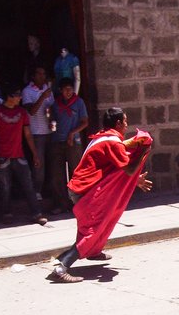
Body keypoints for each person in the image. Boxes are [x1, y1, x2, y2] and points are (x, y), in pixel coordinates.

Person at [47, 107, 152, 283]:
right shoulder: (112, 142)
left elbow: (114, 168)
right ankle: (61, 267)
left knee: (90, 228)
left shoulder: (104, 137)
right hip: (85, 191)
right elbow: (129, 169)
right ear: (118, 123)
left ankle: (91, 252)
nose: (127, 125)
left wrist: (136, 180)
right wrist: (143, 149)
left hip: (80, 188)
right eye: (125, 121)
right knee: (92, 231)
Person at [0, 83, 48, 225]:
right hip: (2, 155)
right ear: (9, 97)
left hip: (19, 155)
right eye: (17, 95)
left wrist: (35, 154)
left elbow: (27, 134)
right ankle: (6, 212)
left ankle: (36, 213)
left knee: (28, 185)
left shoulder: (22, 112)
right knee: (4, 187)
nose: (20, 97)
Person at [48, 77, 89, 214]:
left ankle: (77, 203)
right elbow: (53, 120)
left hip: (73, 142)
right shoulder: (56, 104)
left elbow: (84, 122)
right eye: (65, 90)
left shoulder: (78, 102)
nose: (68, 92)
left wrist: (72, 133)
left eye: (70, 89)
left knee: (76, 173)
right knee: (57, 175)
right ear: (60, 90)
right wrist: (50, 122)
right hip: (57, 141)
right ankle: (60, 203)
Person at [21, 66, 54, 201]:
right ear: (33, 76)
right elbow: (31, 111)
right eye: (39, 73)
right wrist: (42, 97)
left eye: (44, 73)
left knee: (53, 163)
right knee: (38, 164)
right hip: (36, 133)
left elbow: (52, 108)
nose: (42, 76)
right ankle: (36, 191)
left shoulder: (48, 89)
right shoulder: (27, 91)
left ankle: (51, 190)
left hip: (50, 131)